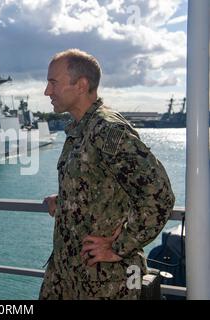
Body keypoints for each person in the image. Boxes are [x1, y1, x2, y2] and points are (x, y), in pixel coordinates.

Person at [39, 49, 175, 300]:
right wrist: (66, 200)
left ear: (81, 85)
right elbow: (100, 182)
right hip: (69, 274)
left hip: (108, 281)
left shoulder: (109, 130)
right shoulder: (80, 129)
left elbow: (159, 195)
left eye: (53, 82)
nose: (47, 91)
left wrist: (118, 246)